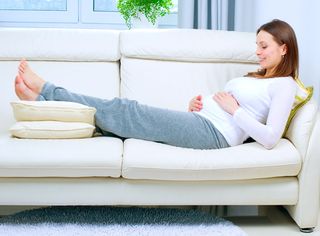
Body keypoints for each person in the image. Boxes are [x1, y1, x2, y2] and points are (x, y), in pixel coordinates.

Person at [14, 19, 298, 150]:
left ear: (284, 48)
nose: (257, 52)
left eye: (264, 46)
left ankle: (46, 91)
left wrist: (234, 111)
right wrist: (196, 109)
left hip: (213, 134)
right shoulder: (260, 77)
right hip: (201, 122)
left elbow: (271, 137)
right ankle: (42, 105)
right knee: (116, 124)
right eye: (256, 45)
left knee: (125, 110)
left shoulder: (285, 85)